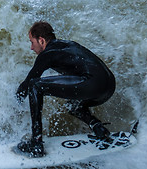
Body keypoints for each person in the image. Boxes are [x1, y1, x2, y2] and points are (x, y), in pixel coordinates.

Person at [16, 21, 116, 157]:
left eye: (32, 42)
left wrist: (16, 101)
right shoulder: (68, 45)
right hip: (109, 86)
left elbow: (27, 84)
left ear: (41, 40)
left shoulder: (47, 54)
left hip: (92, 83)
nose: (31, 48)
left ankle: (36, 143)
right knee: (72, 106)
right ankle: (98, 127)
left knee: (35, 85)